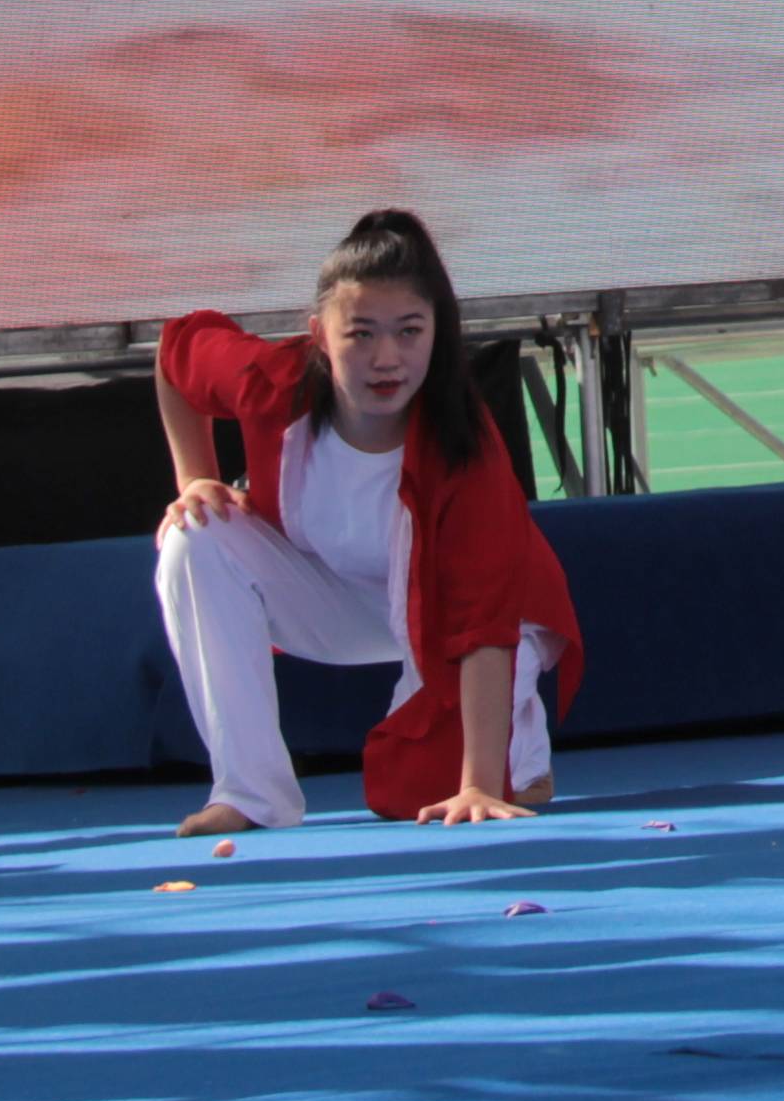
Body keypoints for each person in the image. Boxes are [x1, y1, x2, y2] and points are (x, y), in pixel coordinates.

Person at [150, 209, 581, 832]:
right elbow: (175, 352)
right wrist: (195, 480)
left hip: (470, 613)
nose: (387, 359)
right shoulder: (272, 383)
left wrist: (478, 785)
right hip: (341, 595)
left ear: (438, 332)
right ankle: (248, 793)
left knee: (419, 792)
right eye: (361, 334)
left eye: (409, 331)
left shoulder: (466, 449)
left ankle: (517, 743)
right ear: (319, 335)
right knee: (194, 539)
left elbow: (484, 622)